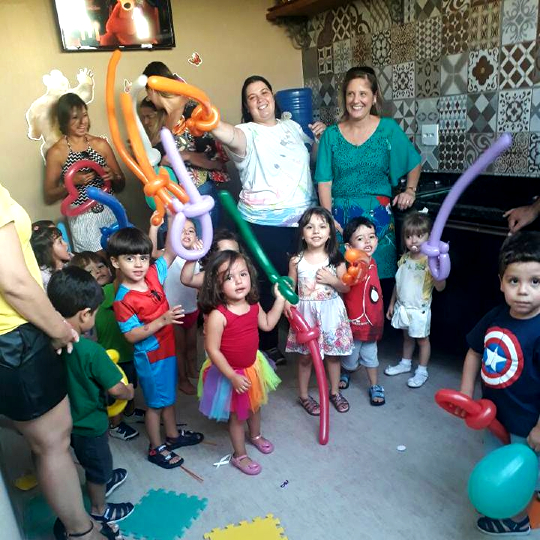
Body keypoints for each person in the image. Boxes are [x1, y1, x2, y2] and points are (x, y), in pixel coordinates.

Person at [0, 183, 111, 540]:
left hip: (14, 334)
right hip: (13, 334)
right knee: (52, 441)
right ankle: (82, 533)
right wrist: (59, 328)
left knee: (44, 440)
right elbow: (13, 282)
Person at [210, 75, 326, 362]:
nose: (260, 100)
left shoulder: (292, 126)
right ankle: (269, 343)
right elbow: (227, 133)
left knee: (305, 280)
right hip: (263, 224)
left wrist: (319, 141)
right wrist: (208, 120)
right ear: (247, 107)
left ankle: (310, 339)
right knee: (266, 283)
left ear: (273, 97)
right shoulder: (246, 132)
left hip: (303, 221)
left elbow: (310, 161)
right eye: (252, 97)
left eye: (264, 92)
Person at [457, 231, 540, 536]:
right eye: (514, 280)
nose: (523, 291)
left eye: (535, 281)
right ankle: (501, 498)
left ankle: (517, 519)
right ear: (501, 282)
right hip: (494, 414)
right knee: (498, 461)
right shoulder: (496, 316)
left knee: (525, 470)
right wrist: (466, 394)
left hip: (528, 422)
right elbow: (474, 351)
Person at [108, 226, 204, 469]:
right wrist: (162, 320)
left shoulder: (152, 274)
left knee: (168, 397)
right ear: (115, 262)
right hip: (151, 359)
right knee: (155, 406)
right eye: (129, 258)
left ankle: (172, 436)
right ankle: (156, 447)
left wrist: (175, 220)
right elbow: (131, 335)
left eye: (142, 257)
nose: (138, 264)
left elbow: (170, 251)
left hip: (167, 351)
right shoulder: (123, 299)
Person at [315, 66, 421, 283]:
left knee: (379, 285)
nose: (356, 100)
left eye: (363, 94)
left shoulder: (387, 129)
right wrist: (328, 220)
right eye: (351, 94)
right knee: (345, 284)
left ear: (374, 97)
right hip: (341, 222)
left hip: (378, 224)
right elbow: (324, 180)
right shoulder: (331, 135)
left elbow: (413, 161)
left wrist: (410, 190)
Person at [47, 267, 135, 525]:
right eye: (95, 313)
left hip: (63, 422)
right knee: (98, 465)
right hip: (90, 424)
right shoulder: (91, 352)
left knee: (88, 459)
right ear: (85, 314)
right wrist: (129, 392)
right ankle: (100, 508)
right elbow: (116, 389)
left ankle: (102, 477)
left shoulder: (47, 342)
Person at [198, 250, 284, 475]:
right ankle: (240, 455)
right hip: (231, 373)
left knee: (255, 405)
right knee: (237, 416)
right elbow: (212, 349)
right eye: (229, 277)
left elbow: (267, 324)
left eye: (242, 274)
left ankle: (255, 435)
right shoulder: (218, 315)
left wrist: (280, 300)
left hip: (253, 367)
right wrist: (232, 376)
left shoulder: (253, 304)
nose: (238, 281)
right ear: (217, 285)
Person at [143, 61, 229, 227]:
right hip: (175, 197)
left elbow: (216, 160)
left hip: (200, 192)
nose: (148, 98)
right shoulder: (164, 118)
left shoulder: (193, 110)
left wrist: (184, 156)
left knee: (204, 240)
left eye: (148, 93)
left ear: (152, 89)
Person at [285, 207, 354, 414]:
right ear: (302, 234)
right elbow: (290, 287)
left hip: (331, 314)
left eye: (322, 226)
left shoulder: (336, 259)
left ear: (330, 233)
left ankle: (335, 392)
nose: (316, 231)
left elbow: (346, 287)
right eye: (310, 227)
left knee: (333, 356)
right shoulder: (296, 261)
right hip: (306, 316)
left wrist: (332, 280)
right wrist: (287, 302)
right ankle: (304, 396)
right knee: (305, 357)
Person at [70, 251, 139, 441]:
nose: (98, 271)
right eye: (89, 271)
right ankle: (116, 424)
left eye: (100, 266)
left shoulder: (109, 290)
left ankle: (130, 412)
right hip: (110, 356)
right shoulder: (103, 293)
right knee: (115, 391)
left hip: (126, 351)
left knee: (131, 383)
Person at [44, 93, 125, 253]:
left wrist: (113, 177)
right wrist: (71, 183)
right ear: (64, 121)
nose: (82, 122)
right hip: (82, 216)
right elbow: (49, 195)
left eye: (85, 115)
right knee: (96, 263)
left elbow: (121, 184)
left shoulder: (100, 145)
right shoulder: (57, 152)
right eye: (75, 118)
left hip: (110, 209)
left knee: (123, 254)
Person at [385, 212, 446, 388]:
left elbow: (441, 287)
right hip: (403, 307)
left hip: (419, 309)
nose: (414, 240)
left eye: (419, 235)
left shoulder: (430, 261)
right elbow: (398, 282)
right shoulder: (404, 259)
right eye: (409, 236)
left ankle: (422, 370)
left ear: (429, 237)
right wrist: (392, 303)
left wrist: (437, 274)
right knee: (407, 337)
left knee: (422, 340)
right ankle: (405, 363)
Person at [149, 218, 200, 395]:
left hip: (192, 309)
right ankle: (183, 379)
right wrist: (154, 228)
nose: (186, 233)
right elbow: (152, 252)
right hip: (174, 312)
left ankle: (192, 369)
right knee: (179, 348)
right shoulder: (169, 254)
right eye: (181, 230)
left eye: (191, 231)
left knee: (192, 345)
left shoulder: (198, 254)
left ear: (197, 237)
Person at [339, 217, 385, 405]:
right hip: (353, 323)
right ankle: (346, 371)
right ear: (349, 247)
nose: (367, 241)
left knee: (371, 356)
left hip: (372, 321)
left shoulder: (373, 263)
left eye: (371, 236)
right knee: (350, 358)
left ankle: (375, 385)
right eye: (360, 238)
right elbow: (344, 287)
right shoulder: (350, 267)